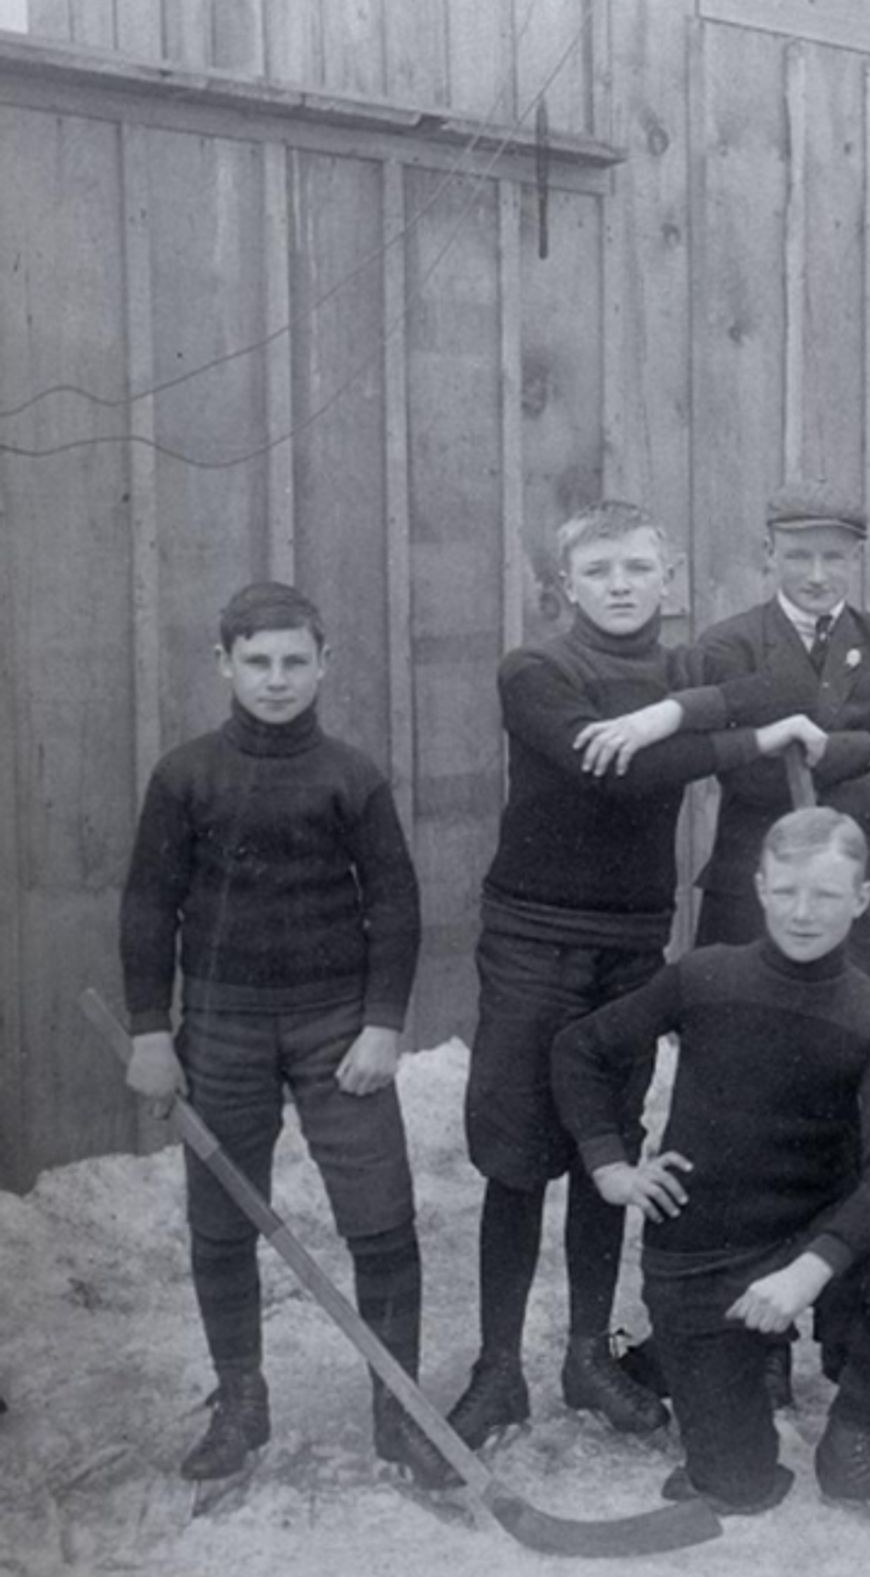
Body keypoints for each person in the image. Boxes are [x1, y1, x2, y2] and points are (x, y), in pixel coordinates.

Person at [448, 500, 824, 1450]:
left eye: (637, 568)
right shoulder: (536, 669)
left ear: (672, 576)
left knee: (605, 1149)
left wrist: (669, 708)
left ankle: (586, 1354)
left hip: (634, 940)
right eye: (600, 569)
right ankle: (497, 1370)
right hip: (533, 938)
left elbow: (784, 673)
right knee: (519, 1154)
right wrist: (745, 737)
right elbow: (611, 773)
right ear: (565, 585)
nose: (620, 585)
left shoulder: (687, 665)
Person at [119, 581, 454, 1488]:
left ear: (323, 664)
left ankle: (401, 1413)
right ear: (224, 664)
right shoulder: (185, 775)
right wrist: (153, 1030)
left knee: (382, 1218)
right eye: (257, 662)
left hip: (335, 1024)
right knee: (221, 1221)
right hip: (220, 1025)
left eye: (293, 662)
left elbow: (396, 903)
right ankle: (241, 1402)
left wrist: (383, 1024)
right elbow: (149, 905)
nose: (276, 679)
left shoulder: (351, 775)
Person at [551, 809, 870, 1529]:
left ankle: (855, 1446)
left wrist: (809, 1269)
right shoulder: (704, 977)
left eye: (828, 895)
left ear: (864, 898)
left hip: (806, 1243)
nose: (804, 913)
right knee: (741, 1487)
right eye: (787, 892)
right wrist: (611, 1169)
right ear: (759, 889)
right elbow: (579, 1048)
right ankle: (667, 1356)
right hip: (702, 1253)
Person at [693, 481, 870, 1002]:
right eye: (798, 556)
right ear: (769, 554)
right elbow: (750, 775)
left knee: (861, 1040)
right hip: (756, 895)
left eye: (833, 557)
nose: (816, 575)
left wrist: (828, 766)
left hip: (868, 899)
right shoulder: (729, 645)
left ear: (857, 557)